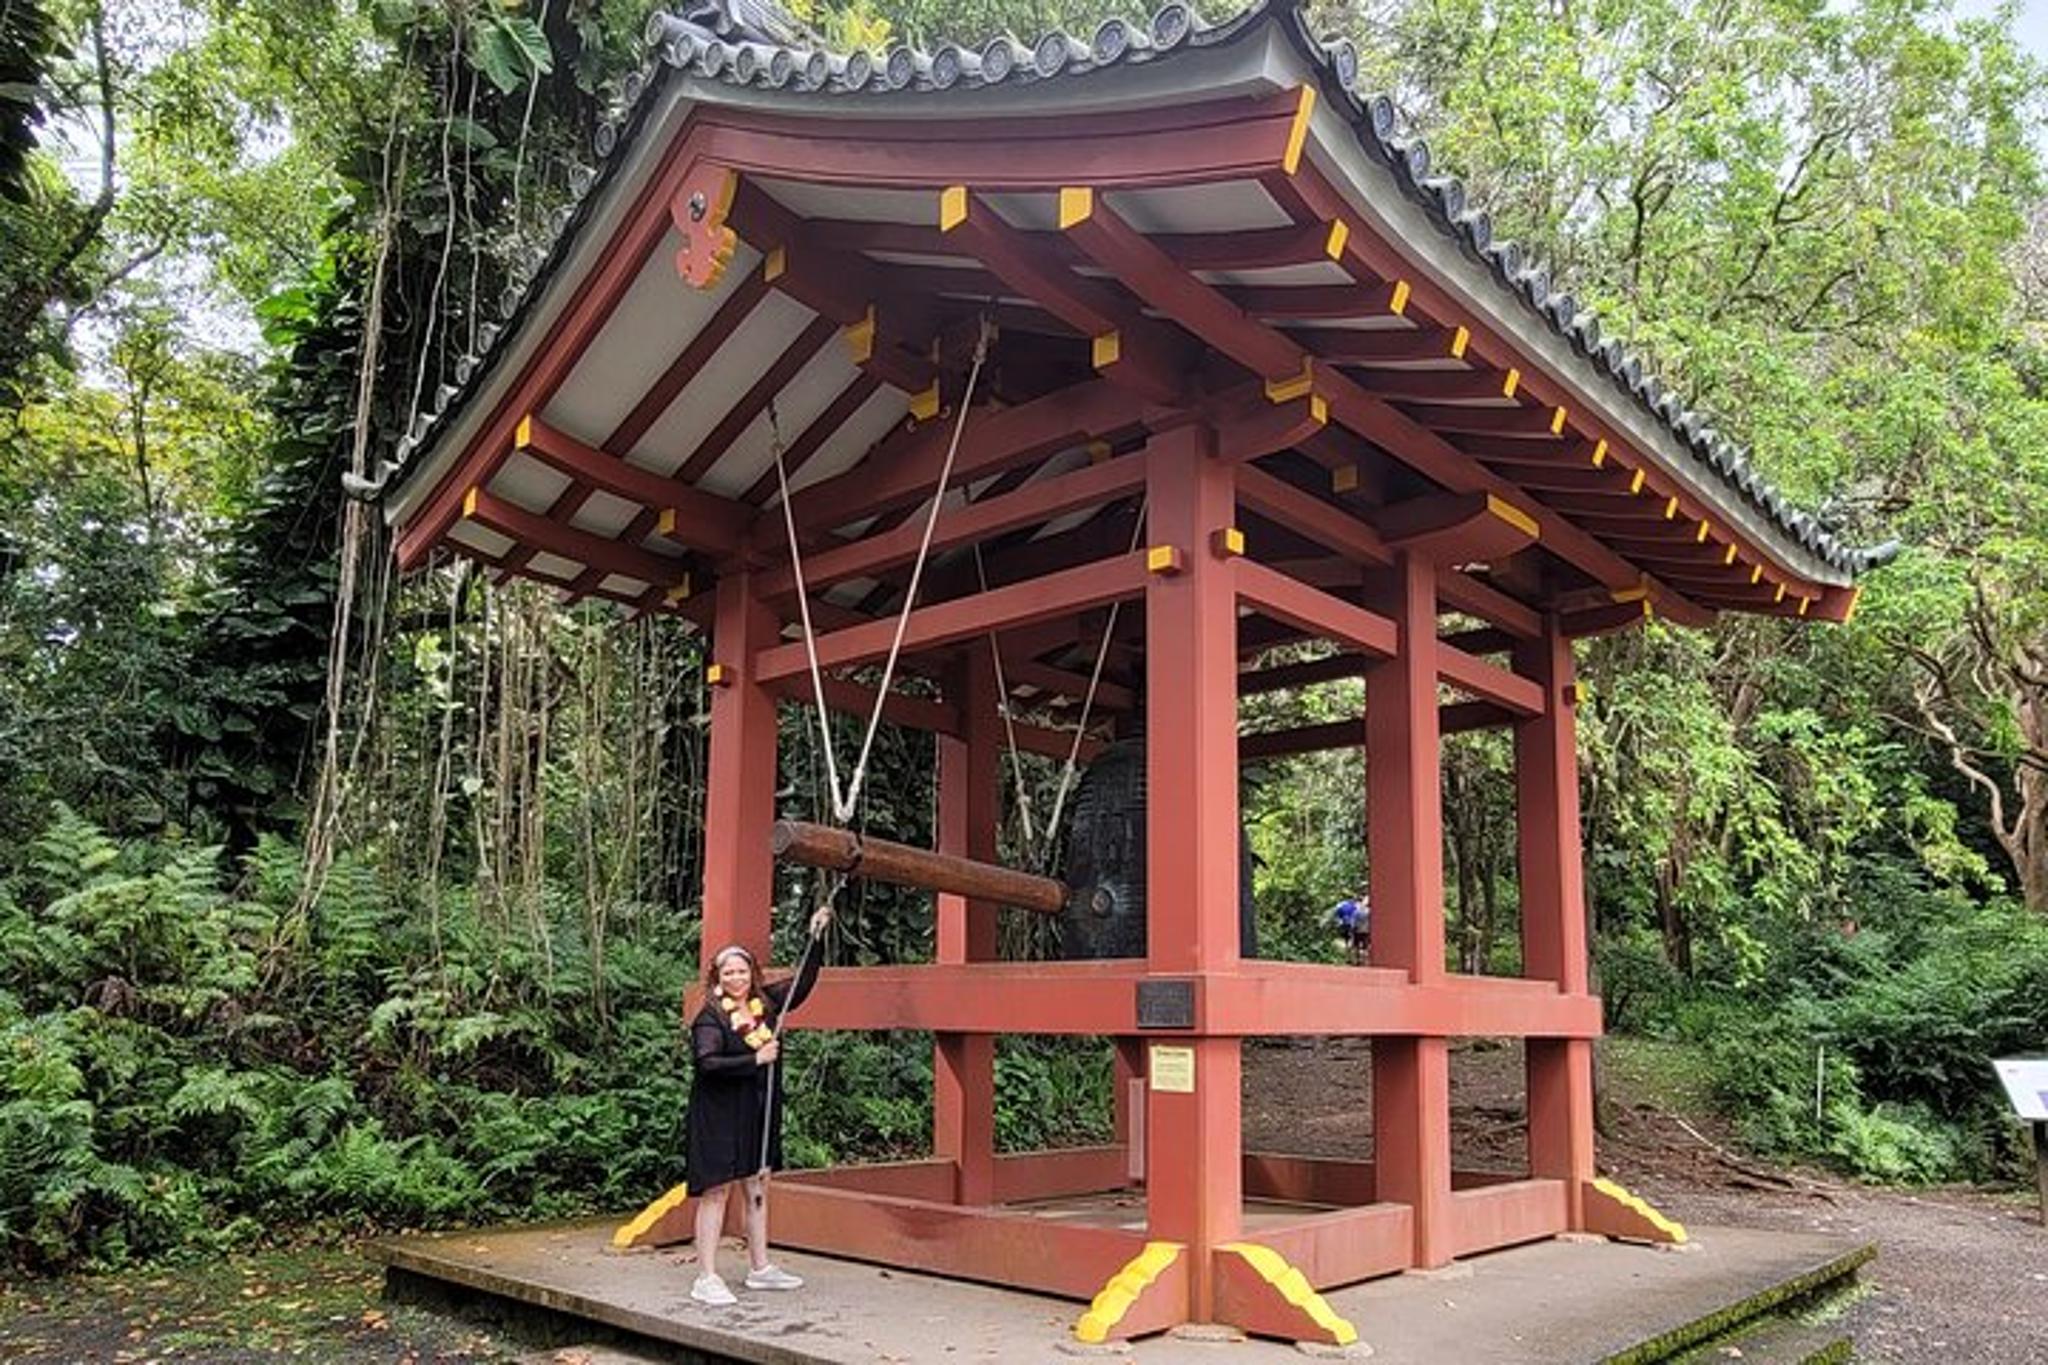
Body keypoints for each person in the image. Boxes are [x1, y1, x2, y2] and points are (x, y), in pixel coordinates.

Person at [687, 903, 831, 1307]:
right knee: (716, 1191)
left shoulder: (765, 1004)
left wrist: (816, 938)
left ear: (752, 973)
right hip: (718, 1114)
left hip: (755, 1110)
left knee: (756, 1184)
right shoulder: (710, 1018)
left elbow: (802, 984)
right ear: (717, 978)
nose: (736, 978)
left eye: (742, 971)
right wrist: (755, 1059)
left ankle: (760, 1268)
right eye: (728, 973)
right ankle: (706, 1276)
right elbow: (707, 1063)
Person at [1333, 893, 1371, 964]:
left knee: (1349, 943)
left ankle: (1349, 958)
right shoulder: (1356, 906)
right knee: (1363, 945)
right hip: (1360, 928)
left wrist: (1340, 922)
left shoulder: (1340, 905)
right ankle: (1362, 960)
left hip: (1346, 925)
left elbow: (1337, 914)